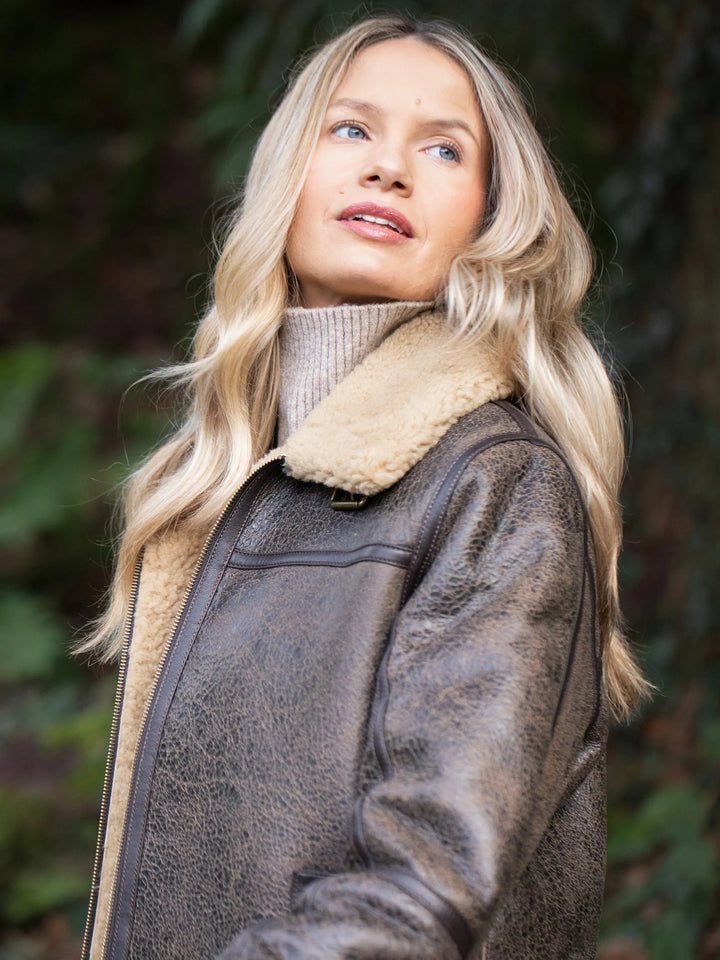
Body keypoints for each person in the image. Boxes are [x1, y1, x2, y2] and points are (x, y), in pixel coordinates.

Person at [79, 14, 647, 960]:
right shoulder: (226, 489)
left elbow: (422, 888)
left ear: (488, 220)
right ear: (285, 177)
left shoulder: (498, 484)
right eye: (352, 130)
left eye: (444, 149)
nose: (389, 168)